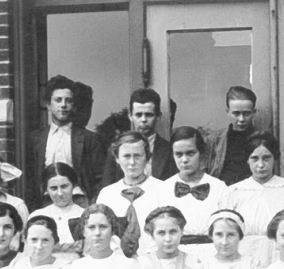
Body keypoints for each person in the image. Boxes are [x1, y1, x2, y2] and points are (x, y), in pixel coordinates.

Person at [219, 131, 284, 268]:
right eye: (255, 158)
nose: (260, 164)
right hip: (244, 253)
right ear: (247, 159)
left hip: (278, 254)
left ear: (274, 158)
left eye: (266, 158)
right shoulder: (235, 191)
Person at [28, 75, 104, 209]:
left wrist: (92, 206)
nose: (63, 105)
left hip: (80, 202)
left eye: (68, 101)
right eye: (58, 100)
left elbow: (100, 179)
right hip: (46, 203)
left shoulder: (88, 139)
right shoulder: (36, 139)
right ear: (48, 105)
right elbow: (30, 180)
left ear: (73, 106)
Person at [158, 126, 227, 258]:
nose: (184, 160)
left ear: (201, 153)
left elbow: (227, 229)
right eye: (178, 154)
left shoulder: (219, 188)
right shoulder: (163, 189)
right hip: (175, 255)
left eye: (190, 153)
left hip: (212, 255)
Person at [96, 132, 165, 256]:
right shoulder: (107, 194)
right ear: (117, 159)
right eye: (126, 156)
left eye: (137, 156)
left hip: (155, 261)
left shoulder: (162, 190)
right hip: (117, 263)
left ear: (147, 157)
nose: (132, 162)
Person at [102, 88, 177, 185]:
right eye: (138, 115)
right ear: (130, 116)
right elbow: (107, 186)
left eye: (149, 115)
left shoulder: (169, 150)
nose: (143, 120)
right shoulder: (118, 149)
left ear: (158, 116)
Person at [203, 85, 258, 185]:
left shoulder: (262, 140)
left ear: (254, 113)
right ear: (228, 112)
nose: (241, 119)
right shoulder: (213, 141)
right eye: (236, 114)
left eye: (246, 114)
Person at [29, 163, 86, 252]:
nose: (60, 193)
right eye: (54, 188)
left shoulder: (84, 215)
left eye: (64, 186)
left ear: (73, 185)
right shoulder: (37, 216)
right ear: (46, 190)